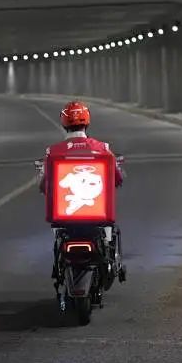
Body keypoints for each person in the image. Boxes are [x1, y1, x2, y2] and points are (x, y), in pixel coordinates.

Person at [39, 101, 125, 284]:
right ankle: (110, 262)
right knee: (110, 232)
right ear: (87, 122)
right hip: (98, 216)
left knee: (58, 237)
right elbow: (117, 178)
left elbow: (45, 183)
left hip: (65, 217)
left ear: (64, 123)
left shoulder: (52, 152)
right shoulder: (103, 149)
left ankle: (58, 268)